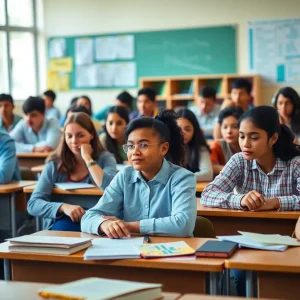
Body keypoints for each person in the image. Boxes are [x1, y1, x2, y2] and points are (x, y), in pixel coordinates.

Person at [202, 106, 300, 296]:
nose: (245, 144)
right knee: (241, 275)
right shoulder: (239, 161)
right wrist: (240, 200)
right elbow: (208, 193)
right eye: (242, 136)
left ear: (273, 138)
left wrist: (277, 202)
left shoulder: (295, 163)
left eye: (254, 137)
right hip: (247, 243)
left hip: (289, 245)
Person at [81, 110, 197, 238]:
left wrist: (129, 226)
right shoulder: (124, 176)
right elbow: (88, 218)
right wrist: (105, 224)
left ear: (163, 148)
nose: (135, 152)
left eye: (143, 145)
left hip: (173, 253)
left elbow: (183, 225)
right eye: (130, 146)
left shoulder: (182, 178)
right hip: (132, 253)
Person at [27, 112, 118, 231]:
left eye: (80, 135)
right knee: (62, 228)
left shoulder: (106, 158)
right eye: (69, 136)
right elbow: (33, 204)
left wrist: (88, 158)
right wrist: (63, 207)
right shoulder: (55, 164)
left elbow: (110, 188)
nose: (74, 141)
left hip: (98, 220)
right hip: (64, 220)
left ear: (91, 135)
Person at [176, 108, 213, 181]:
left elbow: (208, 174)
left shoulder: (200, 148)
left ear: (194, 130)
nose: (183, 134)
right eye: (178, 129)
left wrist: (182, 178)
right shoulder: (165, 148)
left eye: (187, 129)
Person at [210, 107, 243, 176]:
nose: (229, 131)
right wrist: (236, 169)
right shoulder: (218, 145)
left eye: (234, 127)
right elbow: (210, 167)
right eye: (225, 127)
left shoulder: (249, 144)